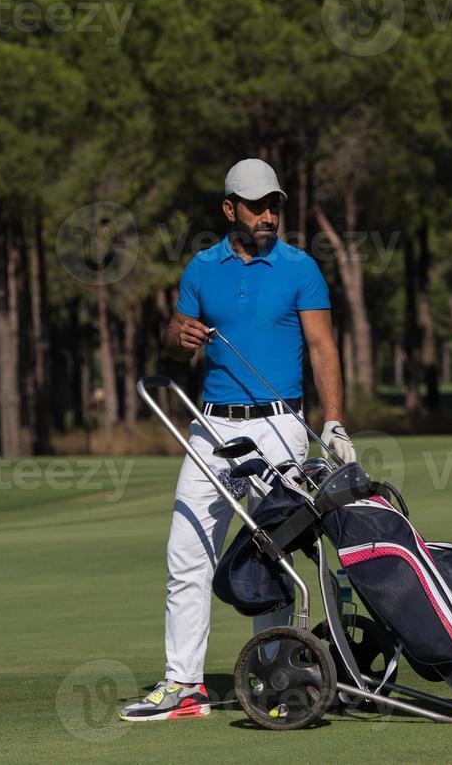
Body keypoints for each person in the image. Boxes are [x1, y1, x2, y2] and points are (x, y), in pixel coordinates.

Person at [119, 158, 357, 722]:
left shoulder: (300, 268)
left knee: (270, 555)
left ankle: (276, 679)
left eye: (274, 204)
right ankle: (185, 686)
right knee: (187, 551)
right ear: (230, 210)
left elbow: (323, 347)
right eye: (257, 206)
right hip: (212, 425)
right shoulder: (202, 269)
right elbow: (174, 346)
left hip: (280, 427)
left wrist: (335, 421)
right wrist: (181, 337)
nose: (268, 215)